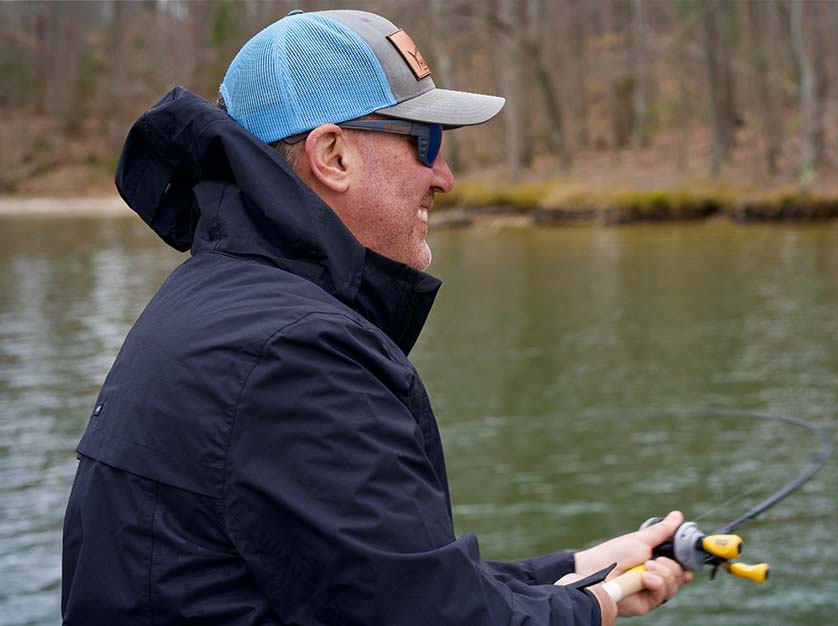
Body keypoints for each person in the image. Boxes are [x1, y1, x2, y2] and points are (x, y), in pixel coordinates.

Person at [61, 9, 691, 625]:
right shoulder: (295, 353)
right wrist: (594, 607)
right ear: (333, 155)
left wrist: (580, 569)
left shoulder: (220, 304)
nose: (444, 177)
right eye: (426, 142)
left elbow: (380, 580)